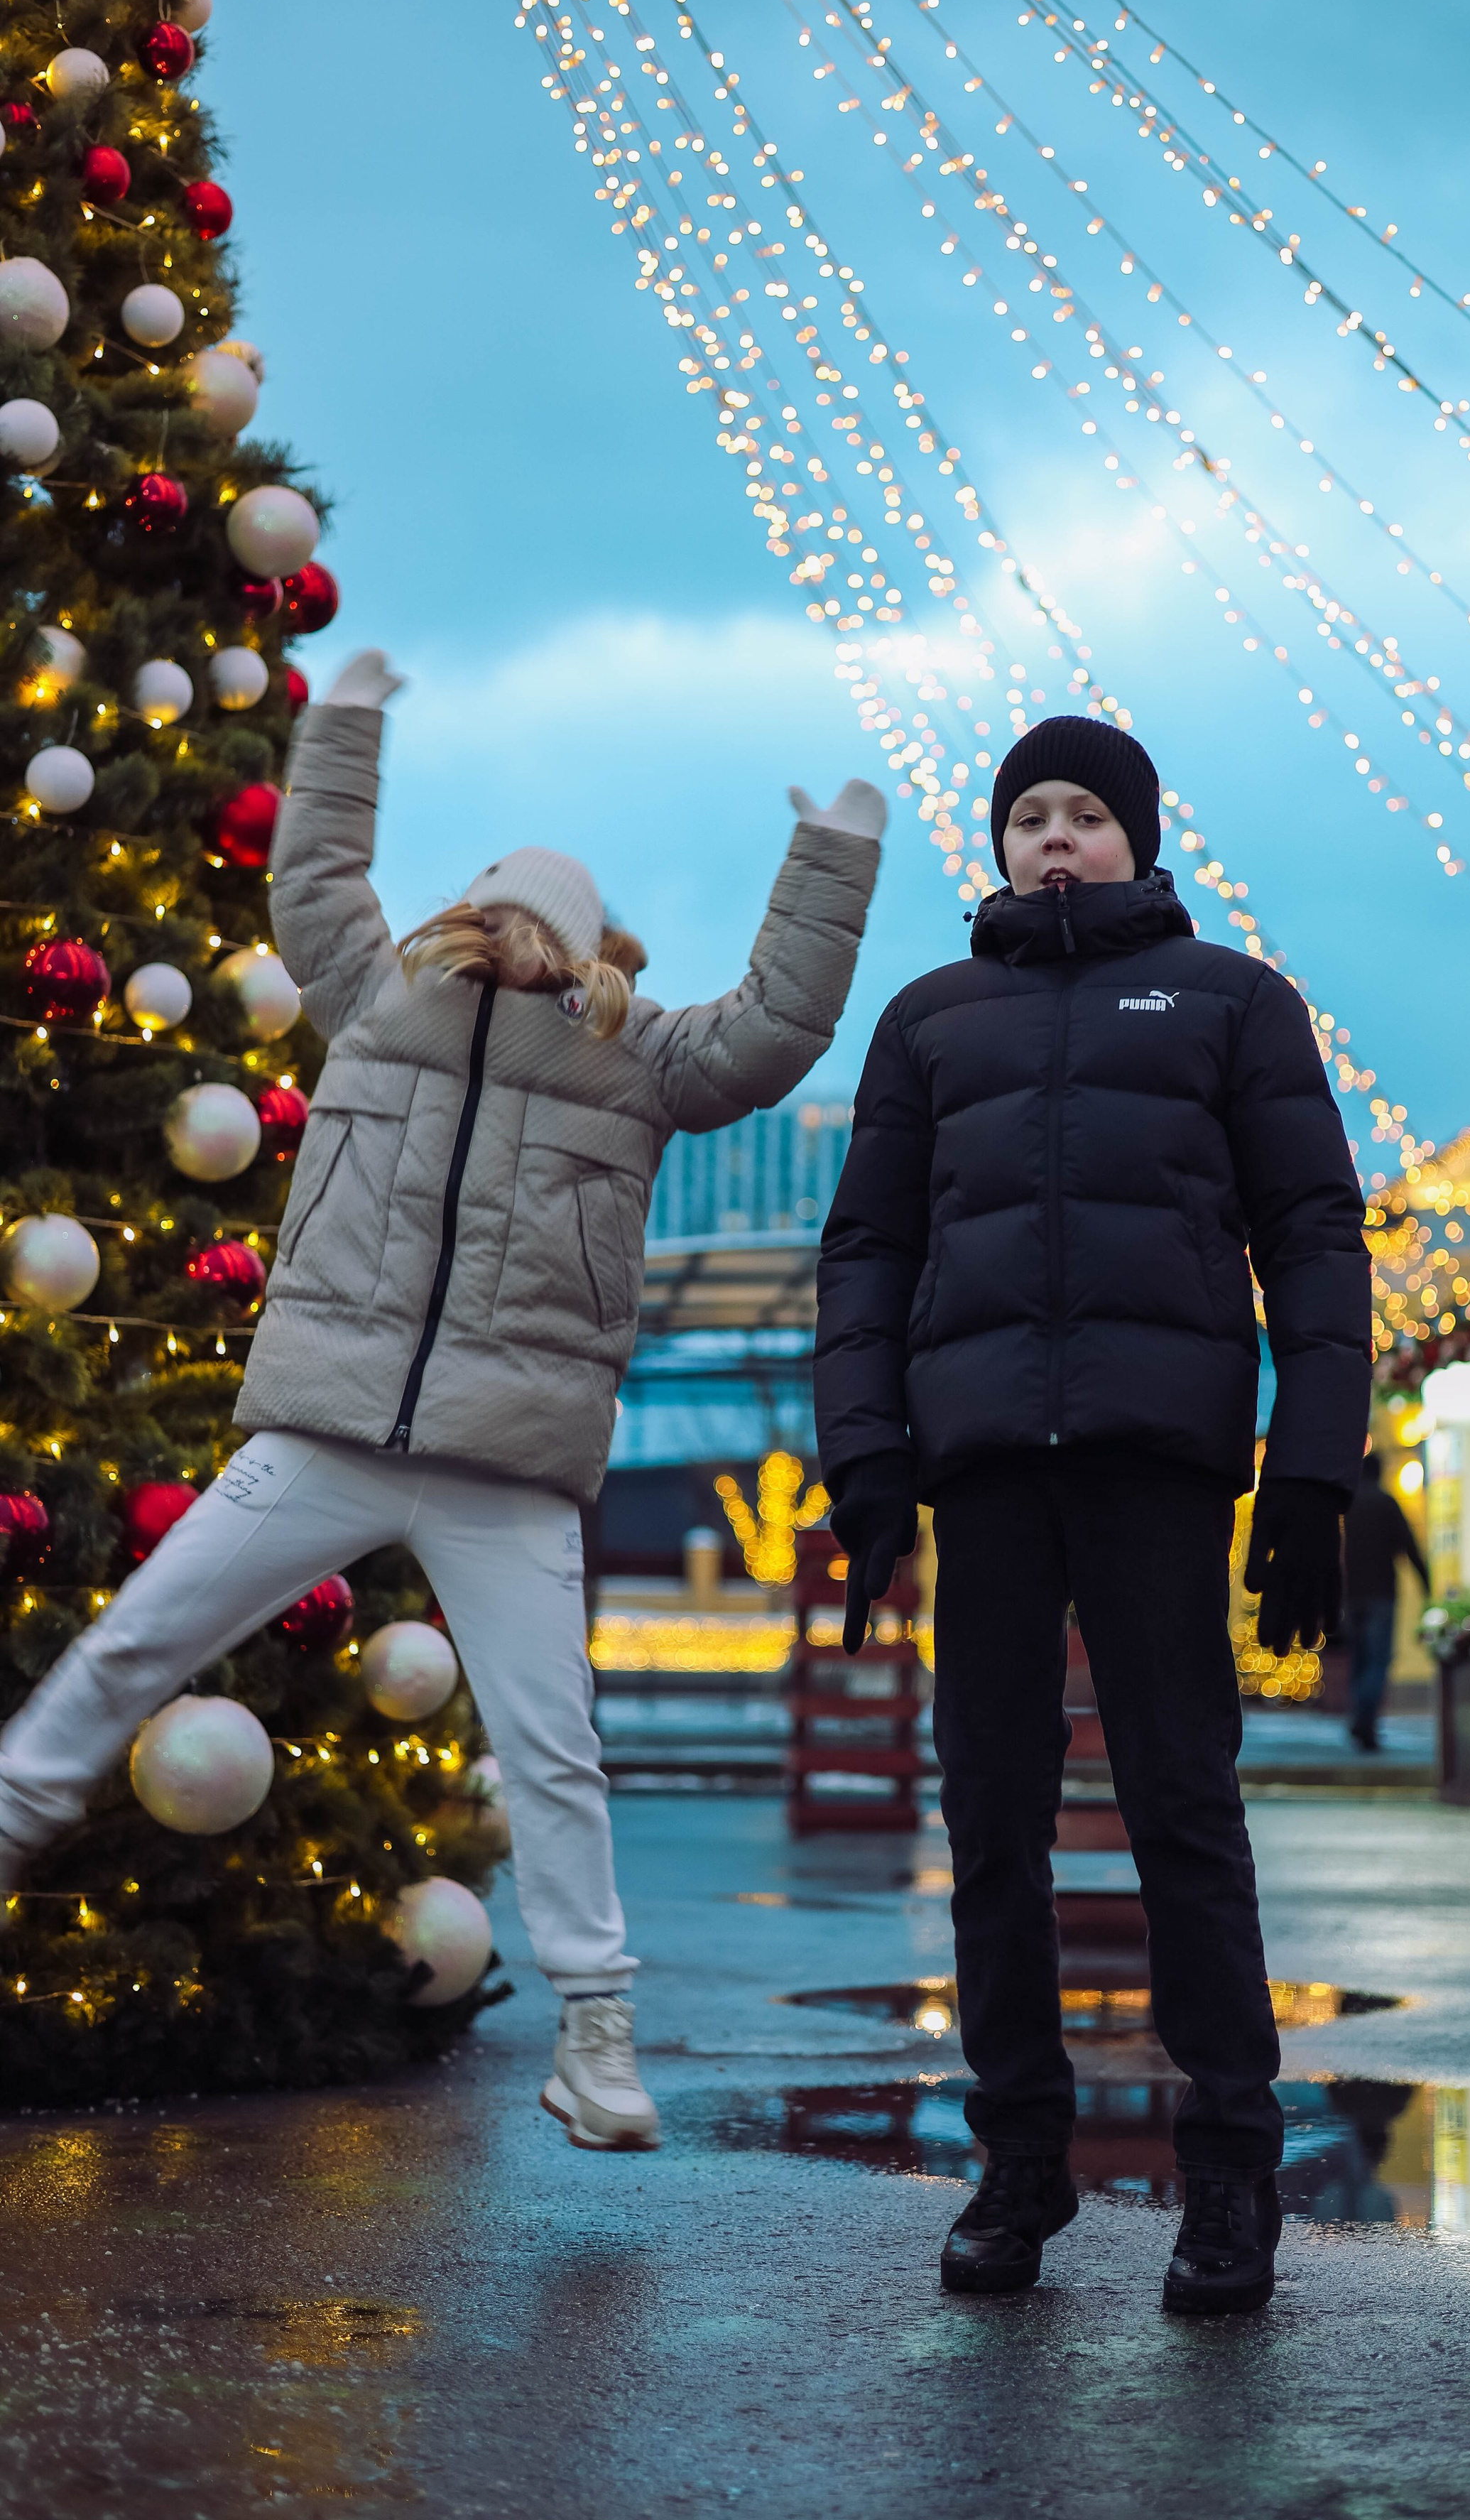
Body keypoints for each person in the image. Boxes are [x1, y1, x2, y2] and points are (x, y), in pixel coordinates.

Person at [0, 650, 884, 2154]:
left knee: (553, 1751)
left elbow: (778, 1031)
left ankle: (596, 2041)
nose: (519, 932)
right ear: (472, 913)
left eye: (549, 913)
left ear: (589, 936)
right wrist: (344, 723)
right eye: (502, 904)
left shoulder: (638, 1057)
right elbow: (317, 871)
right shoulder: (375, 996)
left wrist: (831, 859)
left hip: (503, 1468)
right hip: (323, 1434)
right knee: (136, 1640)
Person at [815, 714, 1371, 2315]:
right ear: (994, 846)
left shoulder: (1229, 1004)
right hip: (983, 1467)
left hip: (1155, 1464)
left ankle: (1227, 2180)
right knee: (987, 1826)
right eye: (1027, 817)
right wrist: (865, 1460)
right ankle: (1019, 2166)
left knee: (1178, 1812)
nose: (1054, 840)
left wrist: (1307, 1472)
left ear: (1136, 836)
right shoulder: (929, 1021)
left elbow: (1312, 1238)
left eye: (1084, 815)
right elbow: (869, 1256)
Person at [1340, 1451, 1429, 1751]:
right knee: (1377, 1661)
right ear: (1380, 1473)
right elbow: (1409, 1546)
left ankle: (1358, 1719)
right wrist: (1426, 1584)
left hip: (1352, 1595)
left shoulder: (1348, 1506)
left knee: (1360, 1660)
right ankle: (1366, 1722)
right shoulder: (1387, 1503)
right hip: (1381, 1595)